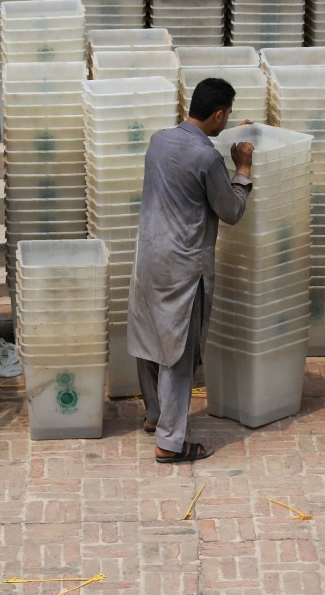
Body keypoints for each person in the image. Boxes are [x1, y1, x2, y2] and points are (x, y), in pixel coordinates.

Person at [128, 78, 253, 463]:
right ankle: (169, 442)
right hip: (183, 268)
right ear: (218, 114)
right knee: (178, 354)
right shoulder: (209, 159)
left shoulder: (159, 140)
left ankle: (155, 415)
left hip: (149, 258)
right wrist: (243, 170)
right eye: (227, 115)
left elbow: (190, 151)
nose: (226, 119)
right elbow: (230, 212)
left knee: (149, 342)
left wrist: (223, 137)